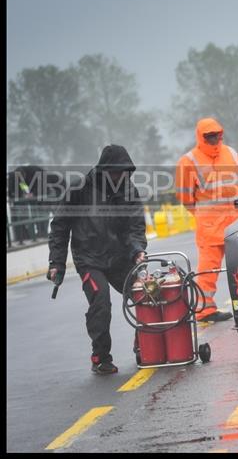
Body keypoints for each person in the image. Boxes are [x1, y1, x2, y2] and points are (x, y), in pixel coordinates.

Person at [47, 145, 147, 374]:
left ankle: (143, 344)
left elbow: (135, 227)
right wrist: (56, 263)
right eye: (115, 172)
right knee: (101, 301)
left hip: (120, 258)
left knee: (145, 294)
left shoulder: (129, 191)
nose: (120, 177)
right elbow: (60, 227)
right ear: (104, 170)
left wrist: (137, 250)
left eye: (124, 173)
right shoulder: (79, 189)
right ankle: (100, 357)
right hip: (89, 259)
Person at [175, 118, 238, 322]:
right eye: (209, 136)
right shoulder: (188, 161)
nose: (214, 139)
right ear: (201, 136)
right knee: (208, 270)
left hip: (236, 222)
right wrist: (203, 215)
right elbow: (185, 197)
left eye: (216, 134)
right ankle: (205, 310)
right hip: (210, 226)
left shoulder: (231, 154)